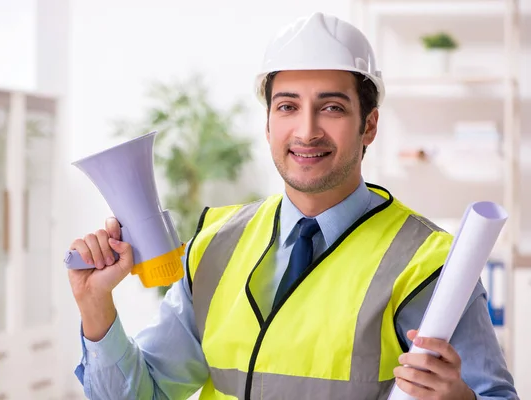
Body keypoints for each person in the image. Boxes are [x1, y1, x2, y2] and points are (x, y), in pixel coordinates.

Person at [68, 12, 519, 400]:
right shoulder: (214, 247)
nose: (306, 131)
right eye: (287, 106)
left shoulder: (429, 264)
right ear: (267, 124)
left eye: (332, 108)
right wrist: (95, 306)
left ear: (370, 125)